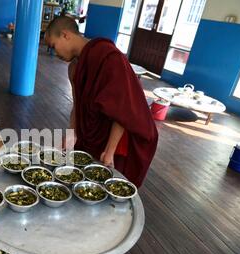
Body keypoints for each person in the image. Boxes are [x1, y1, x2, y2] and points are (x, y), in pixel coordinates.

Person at [45, 16, 158, 187]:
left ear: (65, 35)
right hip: (92, 133)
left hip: (116, 137)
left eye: (53, 46)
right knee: (84, 182)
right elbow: (78, 106)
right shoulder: (74, 68)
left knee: (109, 186)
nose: (55, 53)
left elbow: (123, 109)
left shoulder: (109, 57)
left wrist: (110, 150)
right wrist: (71, 136)